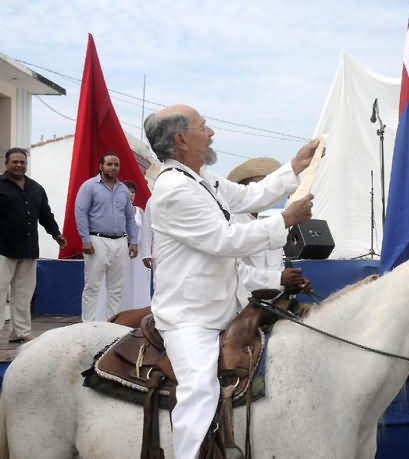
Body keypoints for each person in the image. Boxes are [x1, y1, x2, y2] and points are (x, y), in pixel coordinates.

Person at [144, 104, 318, 459]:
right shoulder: (175, 189)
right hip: (190, 317)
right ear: (181, 139)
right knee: (200, 390)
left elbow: (250, 197)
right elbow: (226, 240)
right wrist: (285, 220)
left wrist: (295, 167)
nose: (211, 132)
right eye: (203, 126)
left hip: (223, 306)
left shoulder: (200, 180)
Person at [0, 147, 67, 343]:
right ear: (6, 164)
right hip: (2, 248)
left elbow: (46, 215)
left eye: (23, 162)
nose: (19, 165)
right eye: (15, 162)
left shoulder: (36, 188)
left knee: (23, 293)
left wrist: (56, 234)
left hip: (28, 249)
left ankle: (20, 332)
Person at [226, 157, 310, 309]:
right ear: (246, 188)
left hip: (270, 306)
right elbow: (233, 272)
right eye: (265, 185)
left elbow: (276, 271)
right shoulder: (230, 223)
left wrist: (293, 283)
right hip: (240, 308)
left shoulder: (270, 224)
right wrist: (279, 279)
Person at [75, 152, 139, 321]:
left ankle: (111, 327)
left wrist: (133, 241)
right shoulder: (89, 186)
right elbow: (80, 213)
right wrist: (85, 240)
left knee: (116, 288)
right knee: (92, 286)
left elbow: (130, 217)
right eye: (109, 164)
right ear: (100, 166)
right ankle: (88, 325)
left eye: (116, 165)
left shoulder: (123, 190)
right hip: (97, 241)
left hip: (120, 242)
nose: (113, 167)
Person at [121, 180, 152, 310]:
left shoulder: (140, 211)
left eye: (133, 192)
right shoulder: (117, 211)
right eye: (128, 192)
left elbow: (147, 231)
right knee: (123, 282)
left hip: (138, 254)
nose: (131, 195)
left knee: (139, 282)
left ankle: (139, 309)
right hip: (122, 251)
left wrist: (147, 251)